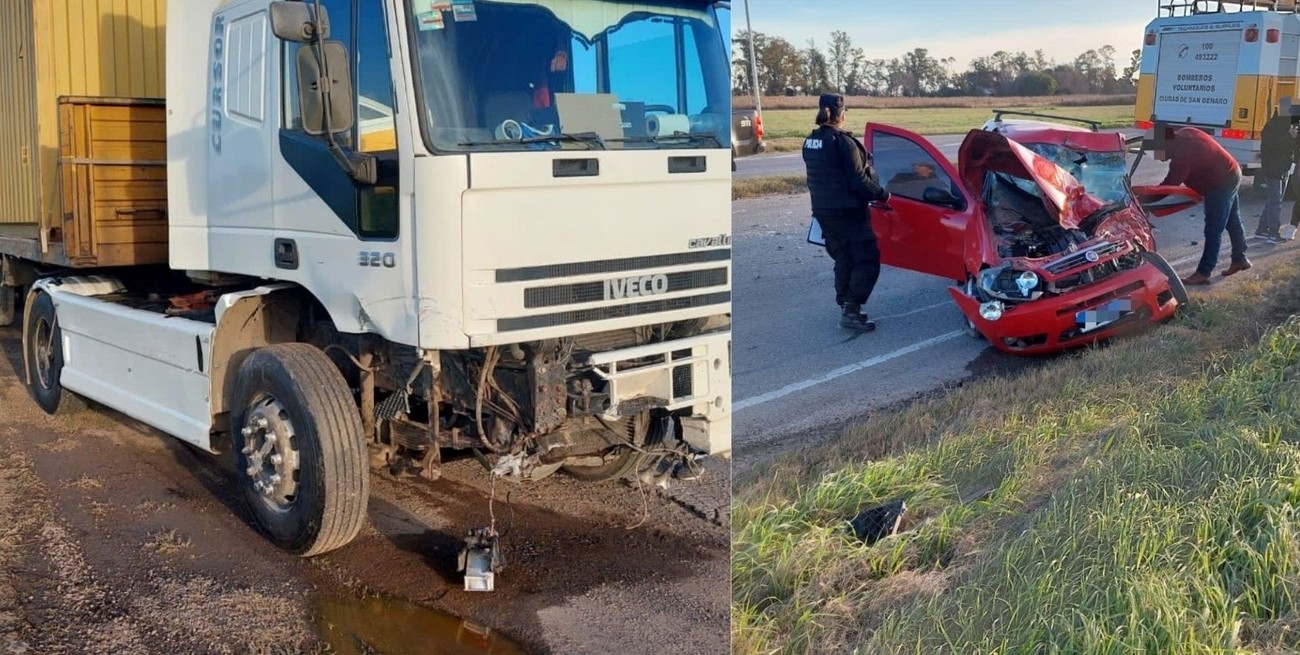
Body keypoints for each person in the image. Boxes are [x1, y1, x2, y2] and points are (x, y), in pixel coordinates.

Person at [802, 94, 891, 331]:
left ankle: (845, 303)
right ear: (841, 114)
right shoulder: (844, 143)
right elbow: (859, 181)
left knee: (844, 258)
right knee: (867, 259)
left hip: (823, 211)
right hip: (848, 213)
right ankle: (852, 309)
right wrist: (883, 195)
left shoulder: (810, 141)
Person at [1155, 126, 1250, 286]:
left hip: (1221, 183)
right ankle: (1240, 259)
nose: (1158, 158)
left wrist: (1143, 199)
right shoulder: (1184, 133)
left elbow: (1168, 187)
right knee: (1232, 220)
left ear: (1166, 144)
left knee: (1213, 229)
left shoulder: (1182, 156)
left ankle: (1204, 272)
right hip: (1232, 172)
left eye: (1158, 152)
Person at [1255, 97, 1295, 243]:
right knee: (1275, 202)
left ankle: (1262, 229)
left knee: (1274, 199)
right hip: (1274, 168)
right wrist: (1290, 137)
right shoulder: (1275, 126)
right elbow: (1275, 146)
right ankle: (1273, 233)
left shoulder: (1282, 125)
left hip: (1280, 167)